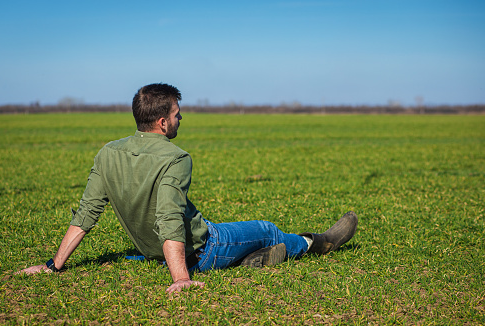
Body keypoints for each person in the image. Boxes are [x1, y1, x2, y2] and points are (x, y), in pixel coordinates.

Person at [18, 83, 358, 293]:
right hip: (202, 248)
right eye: (178, 115)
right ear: (163, 121)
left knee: (253, 240)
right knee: (268, 229)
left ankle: (252, 261)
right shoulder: (176, 156)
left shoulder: (108, 152)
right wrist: (180, 278)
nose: (181, 120)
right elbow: (169, 217)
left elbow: (86, 214)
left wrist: (53, 265)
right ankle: (317, 243)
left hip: (155, 252)